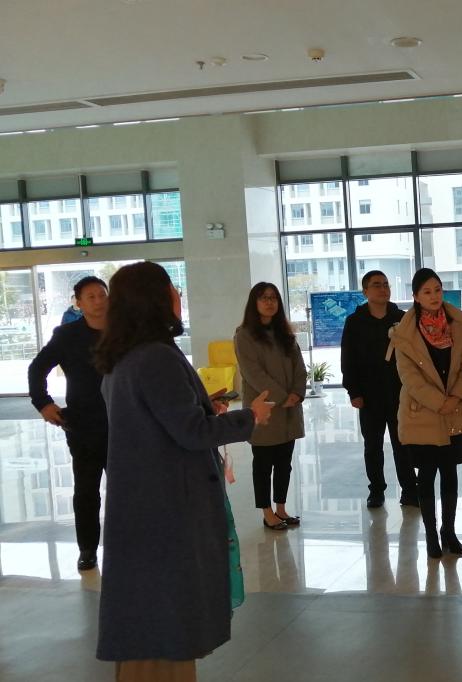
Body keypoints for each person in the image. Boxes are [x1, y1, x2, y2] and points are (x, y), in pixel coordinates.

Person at [93, 261, 271, 680]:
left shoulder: (124, 356)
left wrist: (203, 407)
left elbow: (162, 421)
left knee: (148, 625)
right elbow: (192, 432)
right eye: (171, 287)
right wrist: (250, 417)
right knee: (165, 630)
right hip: (167, 510)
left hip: (144, 507)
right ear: (153, 299)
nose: (178, 295)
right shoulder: (156, 357)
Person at [390, 268, 462, 559]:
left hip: (454, 410)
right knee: (427, 475)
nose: (434, 296)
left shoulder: (457, 325)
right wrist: (438, 402)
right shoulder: (404, 333)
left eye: (438, 290)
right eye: (427, 292)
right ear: (416, 297)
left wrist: (455, 397)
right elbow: (409, 377)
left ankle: (449, 531)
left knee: (450, 473)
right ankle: (431, 534)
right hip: (423, 414)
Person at [28, 276, 109, 571]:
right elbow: (37, 368)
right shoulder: (67, 335)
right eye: (91, 297)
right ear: (79, 303)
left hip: (124, 423)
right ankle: (87, 548)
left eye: (102, 295)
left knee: (129, 488)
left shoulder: (125, 331)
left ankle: (131, 544)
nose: (98, 301)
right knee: (86, 489)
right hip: (83, 424)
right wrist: (43, 402)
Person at [341, 270, 417, 509]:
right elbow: (348, 358)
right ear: (365, 291)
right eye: (377, 285)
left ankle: (409, 490)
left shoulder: (402, 318)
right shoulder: (355, 322)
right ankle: (376, 490)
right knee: (373, 446)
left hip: (399, 393)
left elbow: (413, 355)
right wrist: (353, 391)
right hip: (369, 395)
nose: (383, 289)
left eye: (386, 284)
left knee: (403, 443)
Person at [234, 282, 307, 531]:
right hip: (265, 409)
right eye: (264, 298)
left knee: (284, 462)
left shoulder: (285, 333)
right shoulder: (244, 335)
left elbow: (299, 367)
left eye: (273, 298)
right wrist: (282, 397)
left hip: (289, 408)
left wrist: (297, 393)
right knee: (264, 464)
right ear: (254, 303)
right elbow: (253, 373)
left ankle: (281, 508)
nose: (269, 302)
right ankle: (267, 512)